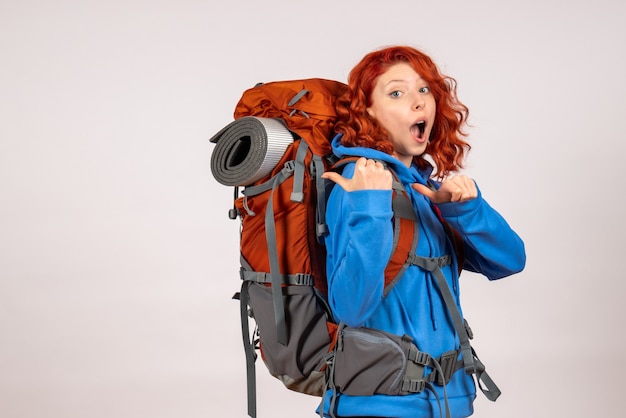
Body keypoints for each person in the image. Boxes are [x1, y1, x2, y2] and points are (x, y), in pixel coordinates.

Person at [319, 45, 526, 418]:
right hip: (381, 406)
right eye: (396, 93)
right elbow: (351, 308)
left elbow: (511, 261)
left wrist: (467, 209)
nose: (418, 103)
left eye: (425, 90)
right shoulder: (357, 183)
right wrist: (370, 207)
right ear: (368, 109)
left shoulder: (424, 188)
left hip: (449, 402)